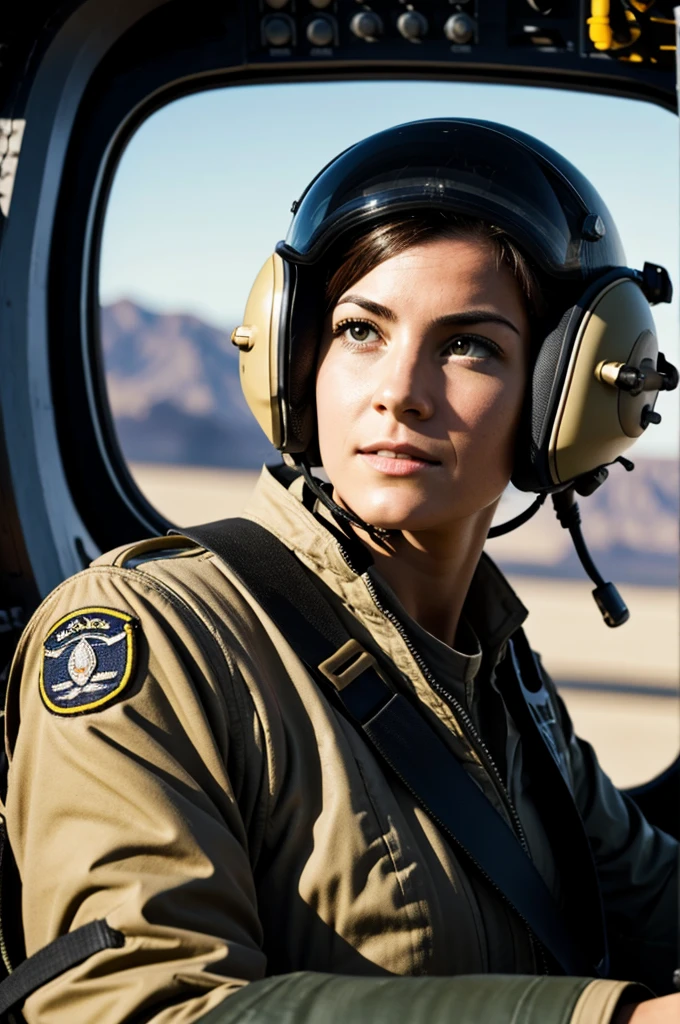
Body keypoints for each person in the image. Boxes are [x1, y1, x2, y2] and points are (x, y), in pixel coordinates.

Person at [2, 119, 678, 1024]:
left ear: (569, 401)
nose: (399, 390)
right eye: (360, 329)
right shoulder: (157, 636)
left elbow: (648, 894)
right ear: (296, 357)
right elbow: (133, 1008)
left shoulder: (498, 670)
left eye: (468, 345)